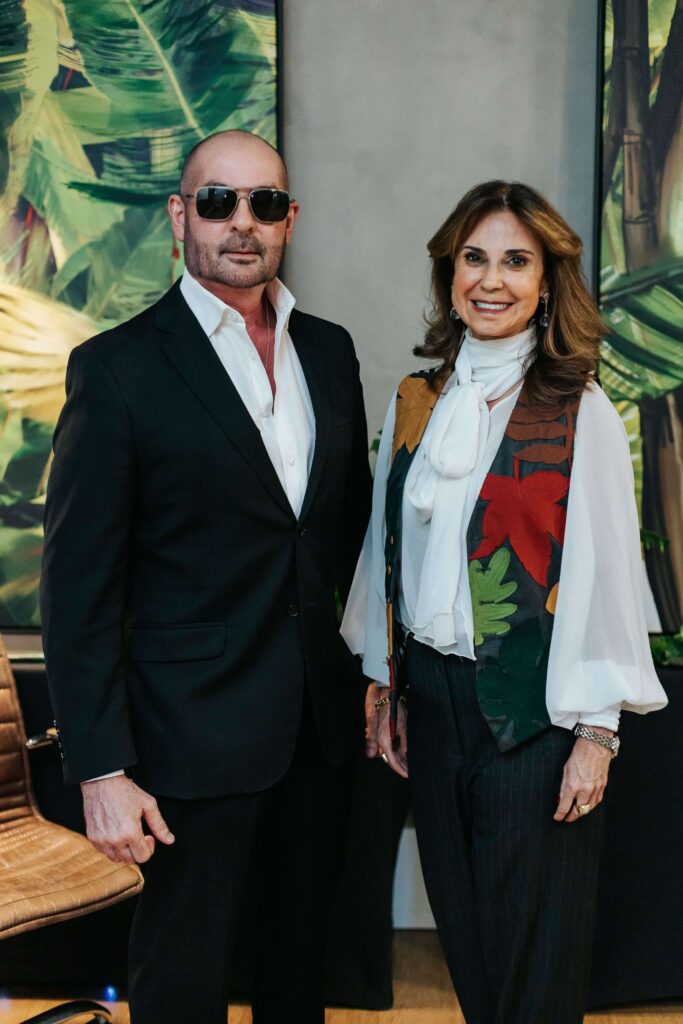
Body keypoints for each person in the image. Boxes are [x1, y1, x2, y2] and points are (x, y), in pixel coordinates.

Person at [40, 129, 372, 1024]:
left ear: (290, 219)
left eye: (265, 203)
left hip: (316, 733)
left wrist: (368, 679)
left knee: (300, 974)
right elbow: (76, 592)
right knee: (182, 981)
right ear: (179, 215)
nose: (242, 222)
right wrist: (100, 769)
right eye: (218, 201)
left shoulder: (329, 352)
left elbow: (343, 540)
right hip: (184, 740)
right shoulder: (117, 369)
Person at [341, 180, 668, 1024]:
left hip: (535, 711)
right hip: (432, 703)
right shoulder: (415, 399)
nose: (490, 279)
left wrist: (596, 734)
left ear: (545, 282)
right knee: (468, 945)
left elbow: (608, 579)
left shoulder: (578, 408)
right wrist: (384, 684)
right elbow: (386, 550)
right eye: (474, 258)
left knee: (534, 957)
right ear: (449, 274)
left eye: (515, 261)